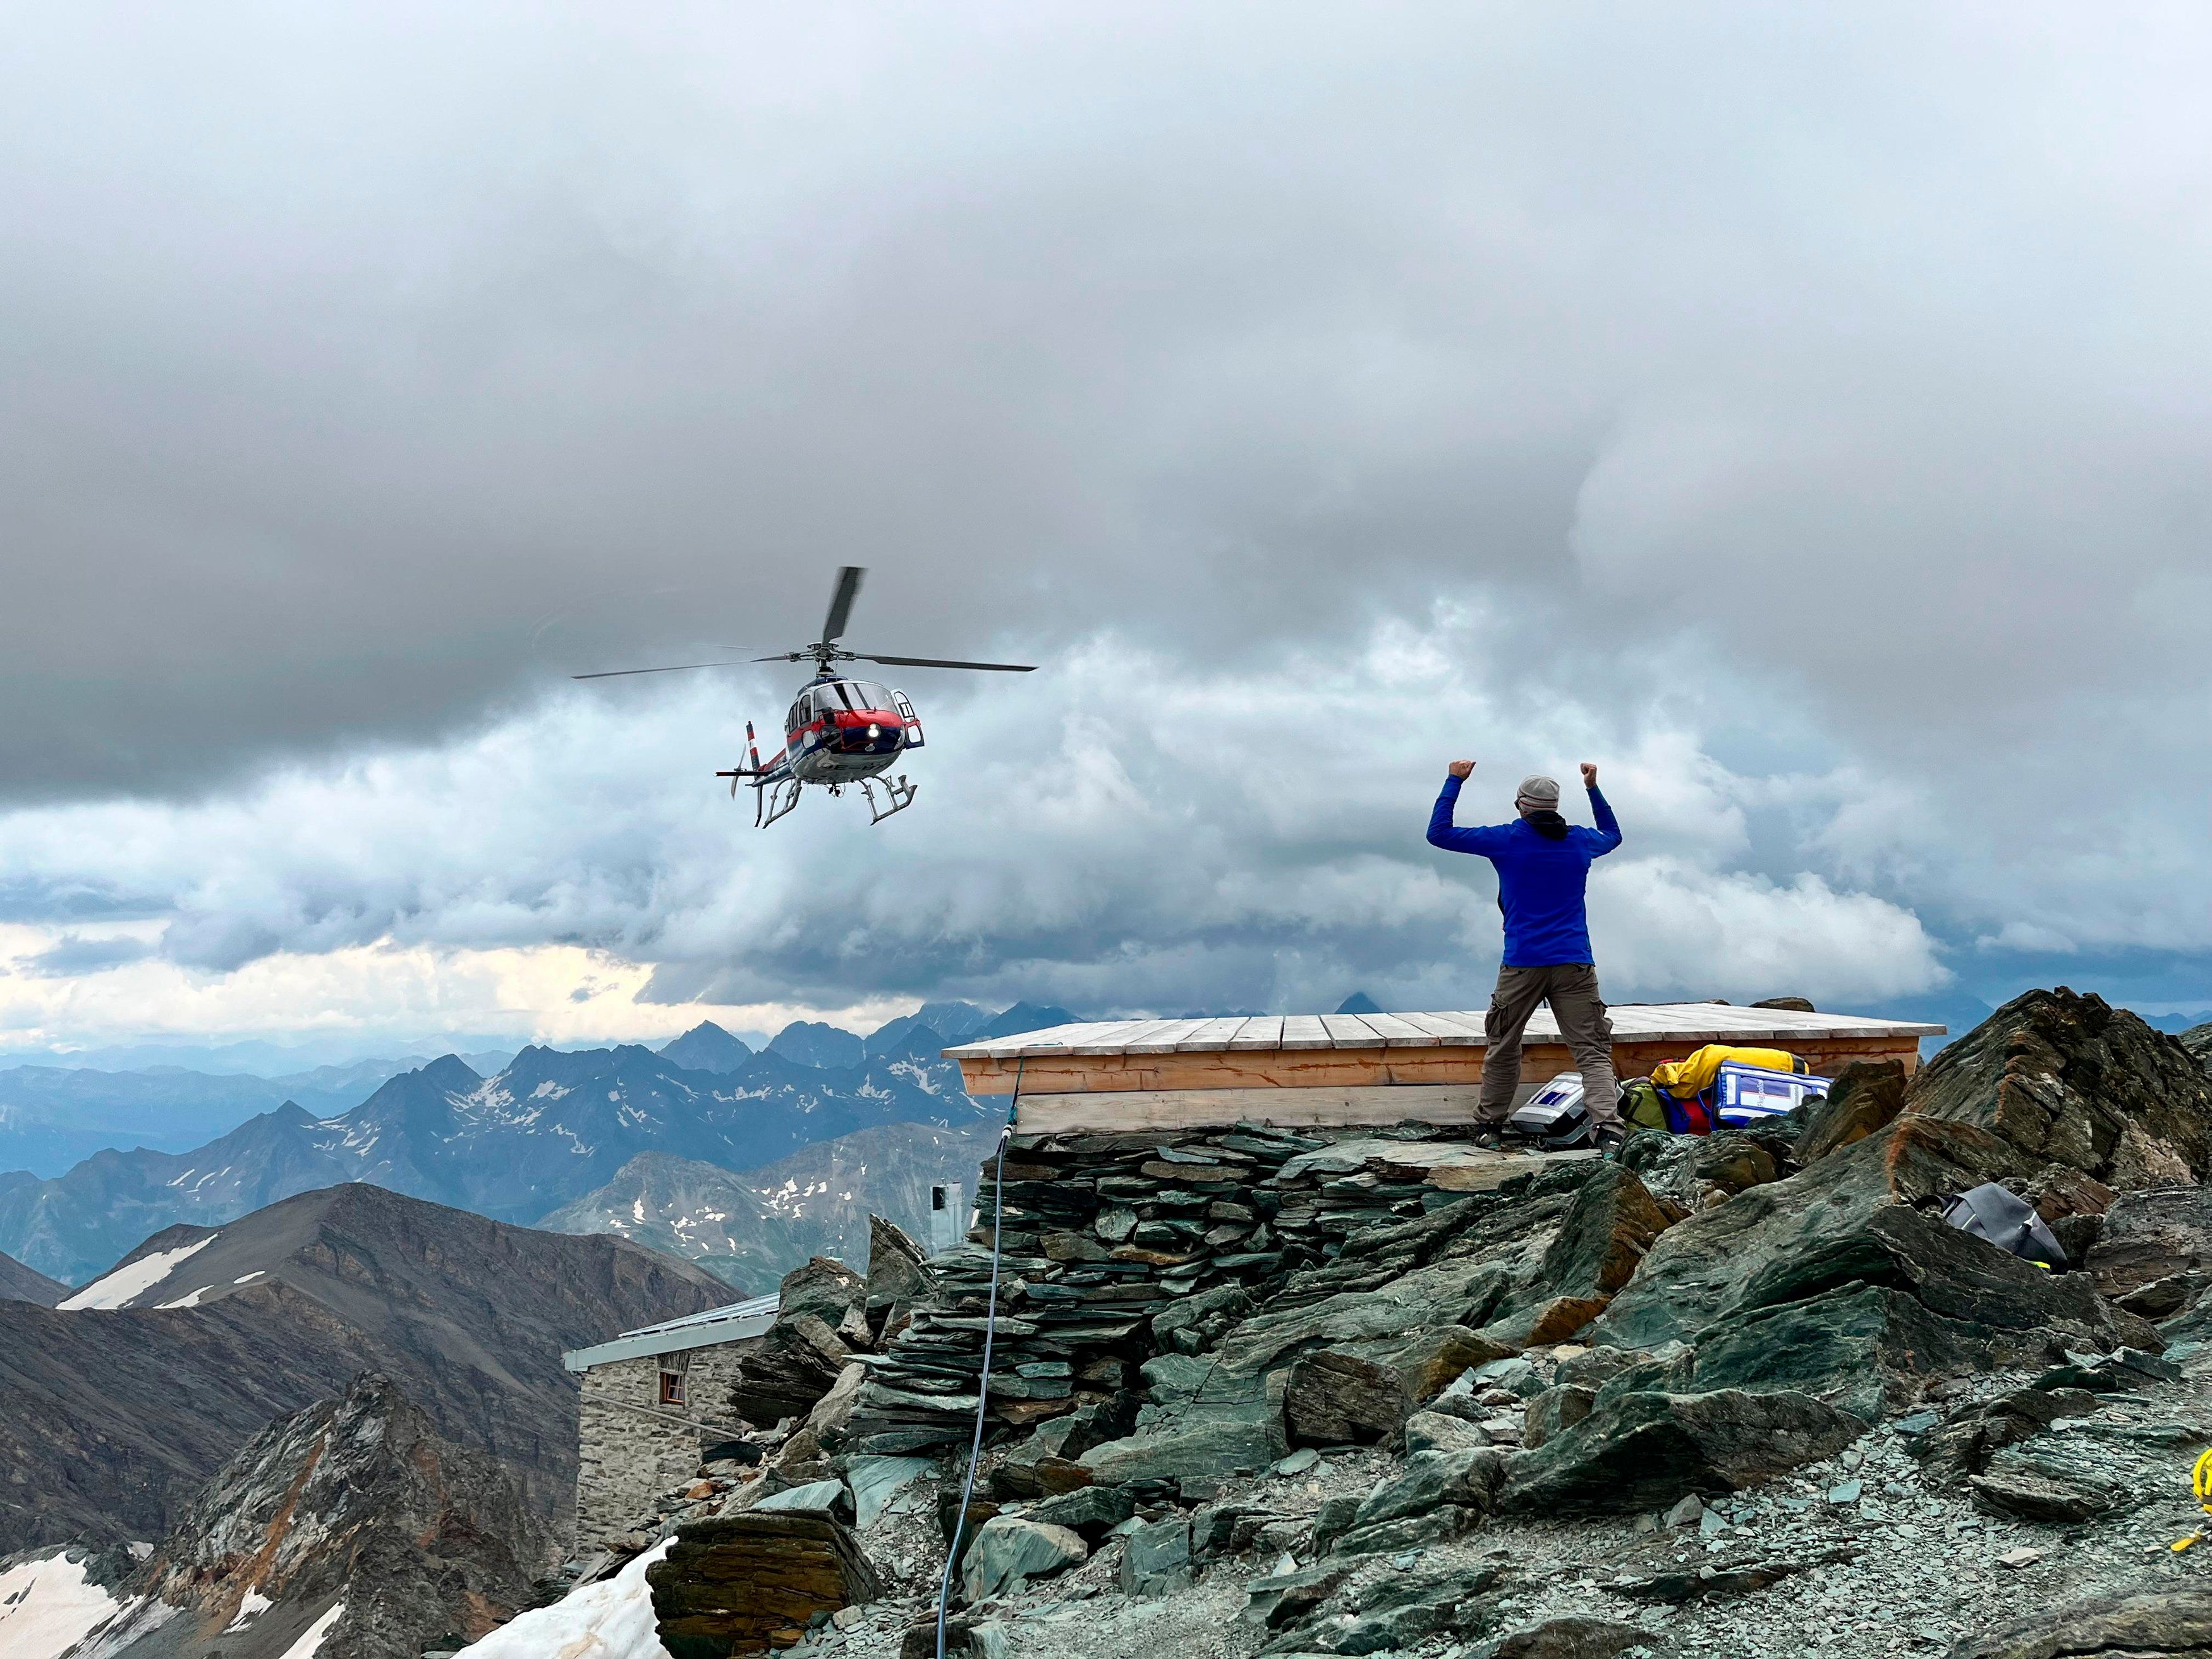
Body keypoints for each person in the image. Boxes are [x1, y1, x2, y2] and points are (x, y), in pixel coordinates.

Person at [1427, 759, 1626, 1154]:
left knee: (1504, 1043)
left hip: (1521, 963)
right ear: (1555, 806)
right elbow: (1613, 834)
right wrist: (1592, 788)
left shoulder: (1506, 839)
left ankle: (1490, 1127)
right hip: (1574, 962)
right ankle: (1608, 1130)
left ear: (1521, 805)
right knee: (1591, 1050)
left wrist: (1454, 780)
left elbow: (1439, 834)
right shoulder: (1580, 841)